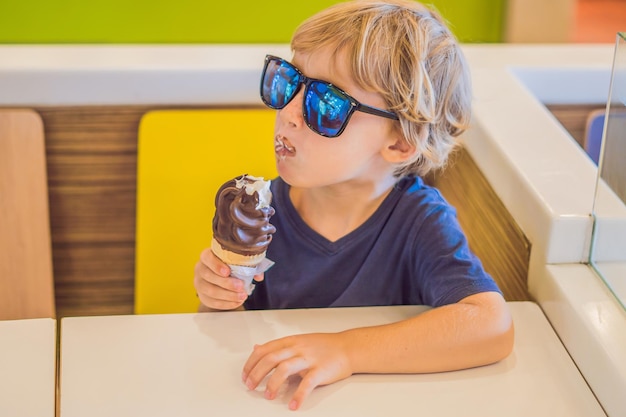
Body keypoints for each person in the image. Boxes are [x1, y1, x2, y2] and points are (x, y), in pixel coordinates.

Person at [194, 0, 514, 411]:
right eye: (288, 82)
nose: (288, 114)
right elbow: (226, 339)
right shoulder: (263, 211)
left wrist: (344, 350)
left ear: (398, 142)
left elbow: (491, 325)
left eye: (326, 104)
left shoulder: (419, 222)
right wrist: (217, 296)